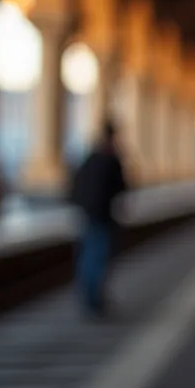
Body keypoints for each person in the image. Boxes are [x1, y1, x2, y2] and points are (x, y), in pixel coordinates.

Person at [68, 119, 130, 317]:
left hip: (88, 213)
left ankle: (89, 296)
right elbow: (122, 186)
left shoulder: (90, 157)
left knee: (88, 255)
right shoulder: (111, 158)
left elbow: (77, 184)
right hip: (103, 215)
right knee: (99, 255)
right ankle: (94, 298)